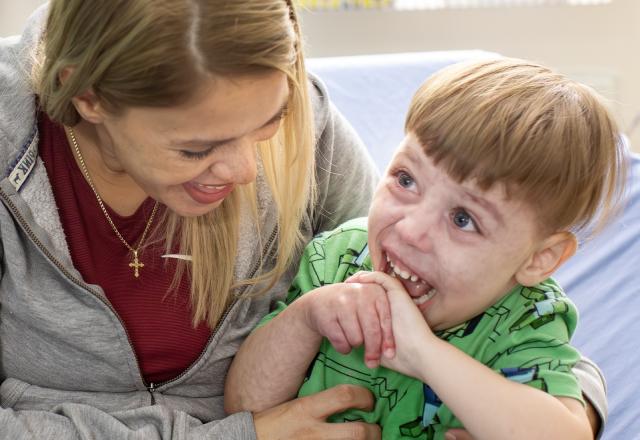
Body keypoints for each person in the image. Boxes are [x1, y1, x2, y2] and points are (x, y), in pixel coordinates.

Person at [0, 0, 386, 438]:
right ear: (89, 97)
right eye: (197, 149)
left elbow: (411, 285)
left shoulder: (310, 121)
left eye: (269, 121)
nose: (246, 172)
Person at [225, 58, 626, 439]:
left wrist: (422, 353)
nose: (410, 229)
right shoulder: (340, 256)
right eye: (405, 179)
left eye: (463, 219)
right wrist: (305, 319)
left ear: (540, 259)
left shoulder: (526, 320)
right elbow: (244, 405)